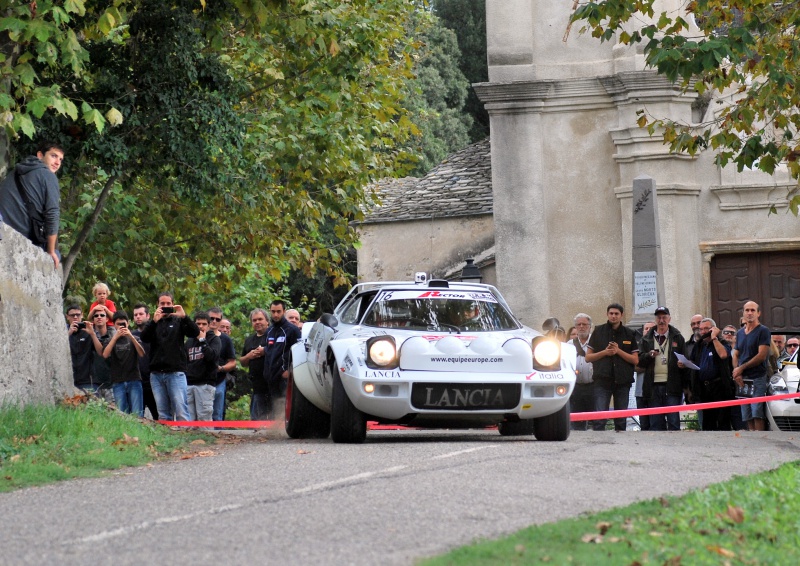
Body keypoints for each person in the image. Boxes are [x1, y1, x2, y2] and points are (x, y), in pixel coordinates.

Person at [0, 141, 64, 267]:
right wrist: (51, 251)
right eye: (54, 156)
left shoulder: (15, 172)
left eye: (61, 159)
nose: (57, 163)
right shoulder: (48, 176)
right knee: (57, 254)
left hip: (4, 228)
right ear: (40, 155)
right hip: (24, 236)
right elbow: (52, 214)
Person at [140, 292, 199, 421]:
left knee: (180, 409)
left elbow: (194, 332)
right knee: (162, 412)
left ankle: (185, 437)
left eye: (168, 303)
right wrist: (154, 322)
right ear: (157, 305)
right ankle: (166, 439)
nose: (165, 306)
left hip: (175, 372)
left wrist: (184, 317)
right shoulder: (154, 323)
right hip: (156, 374)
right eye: (162, 303)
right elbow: (144, 338)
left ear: (173, 304)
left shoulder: (178, 321)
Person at [585, 303, 639, 431]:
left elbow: (635, 360)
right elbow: (588, 357)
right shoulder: (598, 331)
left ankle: (620, 447)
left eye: (616, 314)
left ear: (621, 315)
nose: (613, 316)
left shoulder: (629, 333)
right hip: (602, 381)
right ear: (607, 314)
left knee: (621, 420)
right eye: (611, 313)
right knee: (599, 419)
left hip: (622, 382)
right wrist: (605, 352)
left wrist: (618, 351)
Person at [637, 306, 688, 431]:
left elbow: (685, 359)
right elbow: (639, 360)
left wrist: (683, 364)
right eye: (659, 318)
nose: (661, 320)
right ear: (655, 320)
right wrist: (649, 355)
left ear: (669, 319)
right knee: (655, 422)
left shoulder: (677, 337)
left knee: (673, 421)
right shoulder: (646, 339)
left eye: (664, 317)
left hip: (672, 385)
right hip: (653, 386)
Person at [732, 300, 771, 431]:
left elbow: (761, 356)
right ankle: (752, 443)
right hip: (743, 379)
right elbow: (736, 354)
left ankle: (761, 441)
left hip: (757, 377)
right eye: (747, 310)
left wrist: (741, 368)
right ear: (743, 313)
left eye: (753, 310)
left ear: (758, 313)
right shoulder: (740, 333)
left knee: (757, 413)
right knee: (747, 415)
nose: (749, 313)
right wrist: (736, 372)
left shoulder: (763, 331)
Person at [690, 317, 733, 430]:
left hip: (720, 388)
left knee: (722, 421)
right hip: (704, 388)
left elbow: (723, 355)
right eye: (701, 329)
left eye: (706, 329)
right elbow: (692, 360)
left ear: (713, 329)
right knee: (708, 423)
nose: (703, 332)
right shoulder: (699, 345)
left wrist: (714, 338)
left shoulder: (722, 342)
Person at [263, 300, 301, 418]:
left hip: (285, 376)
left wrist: (289, 370)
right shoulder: (269, 330)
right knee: (274, 406)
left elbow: (298, 352)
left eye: (278, 311)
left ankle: (287, 430)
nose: (275, 315)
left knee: (286, 404)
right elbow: (268, 352)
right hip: (270, 376)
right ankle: (275, 431)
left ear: (284, 311)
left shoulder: (292, 330)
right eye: (273, 311)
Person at [103, 311, 145, 417]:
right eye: (118, 324)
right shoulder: (110, 340)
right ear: (114, 325)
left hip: (134, 379)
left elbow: (141, 353)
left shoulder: (135, 338)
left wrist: (131, 336)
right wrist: (115, 337)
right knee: (121, 414)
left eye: (124, 324)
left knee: (137, 413)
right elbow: (105, 354)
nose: (121, 326)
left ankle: (138, 433)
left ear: (128, 323)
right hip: (118, 381)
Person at [184, 312, 221, 422]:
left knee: (204, 419)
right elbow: (185, 361)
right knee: (189, 420)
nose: (200, 326)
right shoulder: (189, 341)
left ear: (209, 325)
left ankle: (207, 439)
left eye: (204, 324)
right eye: (198, 324)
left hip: (205, 384)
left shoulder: (214, 339)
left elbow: (211, 357)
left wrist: (202, 341)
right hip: (189, 384)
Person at [207, 306, 236, 421]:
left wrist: (221, 368)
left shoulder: (226, 339)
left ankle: (218, 438)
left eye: (217, 319)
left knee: (217, 414)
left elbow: (233, 362)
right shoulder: (199, 336)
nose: (214, 321)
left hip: (218, 380)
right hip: (200, 380)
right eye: (211, 318)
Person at [66, 304, 104, 392]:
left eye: (78, 315)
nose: (75, 317)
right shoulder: (63, 331)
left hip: (88, 380)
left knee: (91, 405)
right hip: (69, 379)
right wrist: (68, 333)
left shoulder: (89, 330)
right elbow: (57, 350)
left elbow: (101, 352)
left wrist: (92, 334)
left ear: (82, 315)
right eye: (72, 315)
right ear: (67, 317)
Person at [241, 308, 269, 419]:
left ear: (267, 321)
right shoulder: (249, 340)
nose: (257, 322)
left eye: (260, 319)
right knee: (257, 418)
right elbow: (242, 362)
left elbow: (280, 352)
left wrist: (264, 351)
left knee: (272, 418)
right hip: (257, 386)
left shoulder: (273, 336)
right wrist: (249, 356)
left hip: (272, 385)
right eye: (254, 320)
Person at [132, 303, 158, 419]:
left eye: (141, 314)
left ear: (148, 316)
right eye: (135, 315)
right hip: (137, 382)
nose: (138, 317)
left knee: (159, 416)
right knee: (137, 417)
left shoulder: (156, 332)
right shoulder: (131, 335)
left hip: (154, 381)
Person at [569, 313, 594, 431]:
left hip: (593, 386)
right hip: (576, 387)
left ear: (590, 326)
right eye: (578, 324)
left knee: (595, 419)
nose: (581, 327)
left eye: (584, 324)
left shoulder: (596, 343)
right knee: (577, 420)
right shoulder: (569, 345)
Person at [721, 324, 745, 431]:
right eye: (726, 332)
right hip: (723, 390)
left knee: (739, 422)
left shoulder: (741, 351)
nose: (729, 335)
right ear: (722, 335)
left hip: (738, 390)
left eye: (732, 333)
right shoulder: (720, 350)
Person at [633, 321, 656, 431]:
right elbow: (634, 366)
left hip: (654, 391)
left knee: (656, 422)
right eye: (646, 328)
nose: (648, 330)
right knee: (644, 424)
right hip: (640, 391)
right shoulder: (636, 348)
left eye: (651, 328)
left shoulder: (659, 346)